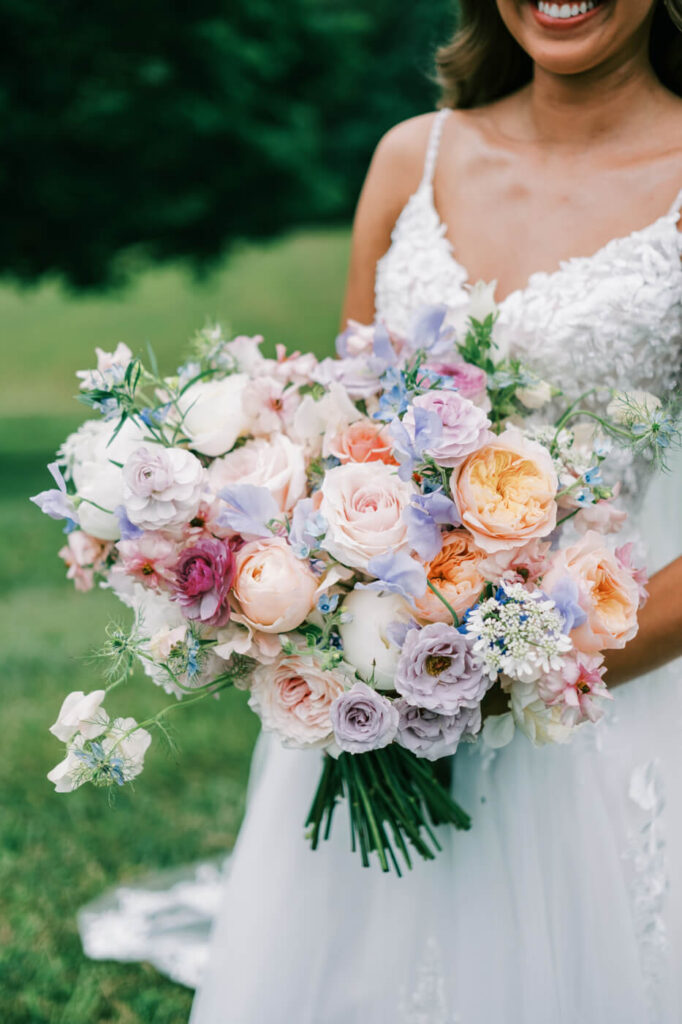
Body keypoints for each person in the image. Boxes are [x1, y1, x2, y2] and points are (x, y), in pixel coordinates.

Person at [83, 2, 682, 1020]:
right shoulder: (412, 156)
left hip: (589, 711)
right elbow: (341, 433)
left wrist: (504, 673)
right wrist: (312, 611)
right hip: (372, 696)